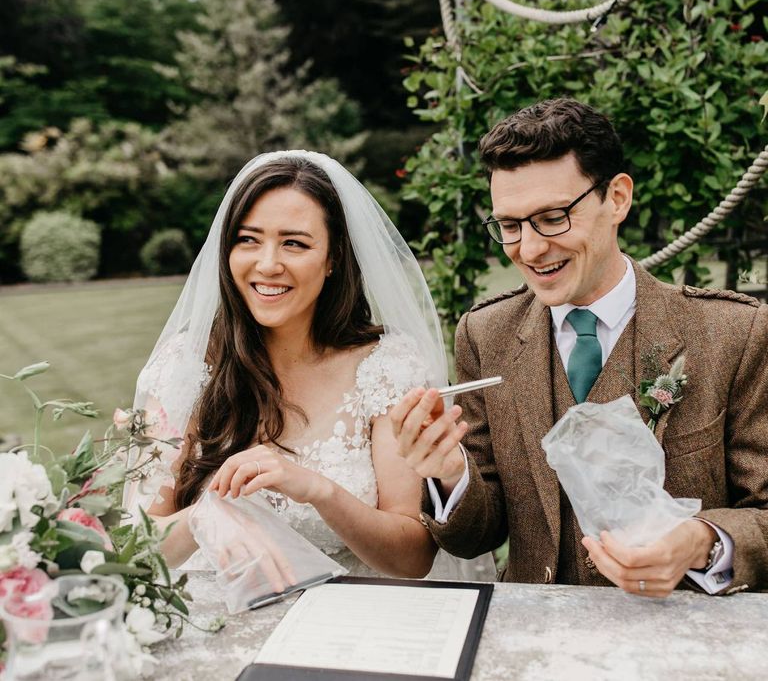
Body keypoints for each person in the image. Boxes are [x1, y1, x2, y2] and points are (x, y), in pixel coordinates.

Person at [391, 98, 768, 597]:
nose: (528, 249)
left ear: (617, 198)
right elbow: (478, 535)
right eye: (509, 225)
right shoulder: (485, 335)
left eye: (552, 218)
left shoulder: (734, 333)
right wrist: (446, 471)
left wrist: (702, 543)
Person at [123, 150, 494, 580]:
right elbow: (137, 549)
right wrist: (206, 517)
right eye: (248, 239)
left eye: (294, 243)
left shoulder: (386, 367)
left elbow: (412, 559)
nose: (267, 264)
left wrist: (319, 491)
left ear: (334, 257)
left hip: (346, 624)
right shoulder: (184, 367)